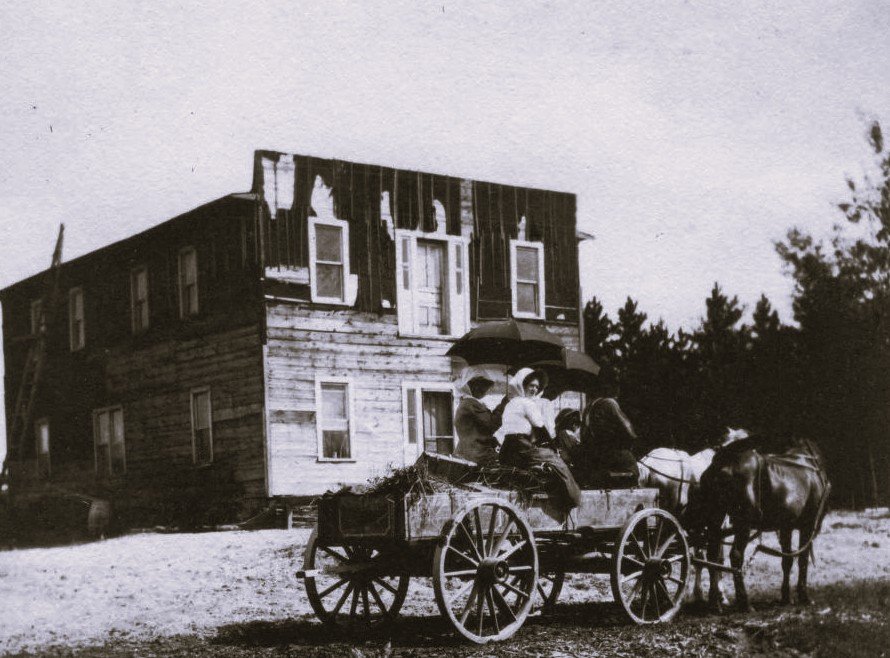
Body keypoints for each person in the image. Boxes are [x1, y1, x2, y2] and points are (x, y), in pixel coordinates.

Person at [499, 368, 581, 510]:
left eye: (537, 387)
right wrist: (554, 448)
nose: (534, 390)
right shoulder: (527, 403)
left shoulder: (511, 403)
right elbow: (541, 428)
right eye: (531, 386)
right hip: (521, 447)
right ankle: (573, 499)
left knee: (546, 456)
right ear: (522, 385)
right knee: (557, 461)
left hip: (507, 450)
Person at [573, 370, 639, 488]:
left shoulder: (589, 406)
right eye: (616, 385)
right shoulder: (610, 403)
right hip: (610, 456)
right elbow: (630, 432)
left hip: (593, 456)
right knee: (633, 467)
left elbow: (584, 436)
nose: (618, 390)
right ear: (608, 386)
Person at [453, 367, 501, 466]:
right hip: (475, 456)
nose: (484, 389)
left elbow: (477, 431)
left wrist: (492, 441)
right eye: (479, 386)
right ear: (470, 386)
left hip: (468, 453)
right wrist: (504, 403)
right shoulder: (470, 404)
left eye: (484, 386)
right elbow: (491, 424)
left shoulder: (467, 403)